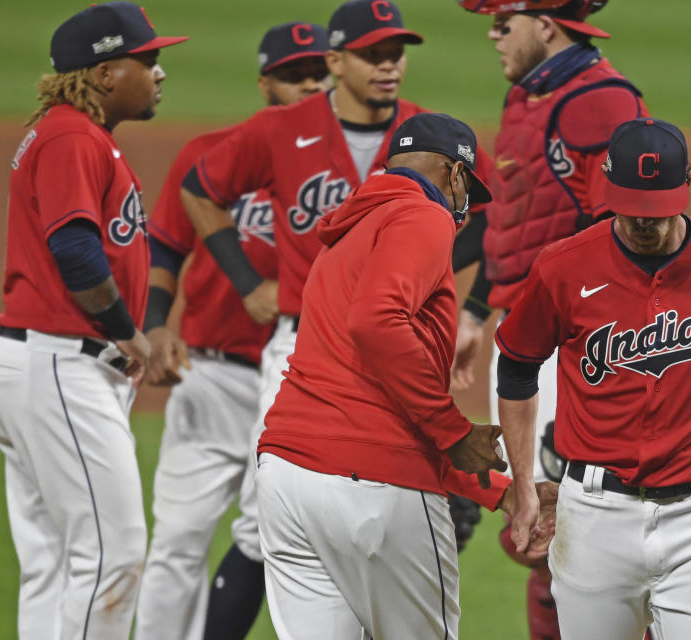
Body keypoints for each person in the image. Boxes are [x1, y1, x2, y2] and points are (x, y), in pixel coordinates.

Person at [180, 3, 492, 623]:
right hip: (312, 350)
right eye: (374, 53)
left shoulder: (386, 175)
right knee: (253, 531)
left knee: (277, 514)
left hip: (307, 424)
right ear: (336, 61)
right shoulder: (292, 132)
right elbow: (200, 189)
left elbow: (474, 240)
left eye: (396, 53)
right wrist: (248, 283)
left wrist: (468, 316)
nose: (389, 65)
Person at [498, 117, 691, 640]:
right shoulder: (564, 267)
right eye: (632, 207)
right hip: (593, 516)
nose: (643, 223)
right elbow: (517, 364)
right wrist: (523, 482)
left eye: (656, 210)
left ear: (687, 185)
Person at [255, 112, 518, 640]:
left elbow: (378, 395)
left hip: (288, 478)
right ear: (454, 174)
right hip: (373, 485)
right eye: (467, 190)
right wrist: (454, 431)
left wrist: (501, 492)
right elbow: (378, 324)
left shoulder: (347, 235)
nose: (464, 209)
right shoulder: (423, 217)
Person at [0, 3, 186, 638]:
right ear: (103, 73)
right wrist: (129, 332)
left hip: (43, 363)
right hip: (59, 365)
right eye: (146, 60)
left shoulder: (76, 135)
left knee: (53, 561)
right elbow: (74, 246)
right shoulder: (71, 136)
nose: (160, 73)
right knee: (113, 555)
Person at [453, 1, 649, 635]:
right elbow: (516, 224)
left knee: (587, 528)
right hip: (530, 333)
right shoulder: (530, 97)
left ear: (544, 24)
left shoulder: (601, 100)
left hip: (584, 343)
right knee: (536, 532)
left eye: (502, 23)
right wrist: (478, 310)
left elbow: (625, 231)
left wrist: (599, 355)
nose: (491, 35)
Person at [134, 23, 332, 640]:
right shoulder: (212, 154)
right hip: (212, 375)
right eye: (292, 73)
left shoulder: (348, 168)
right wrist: (155, 327)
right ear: (263, 83)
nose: (307, 84)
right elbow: (165, 246)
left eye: (316, 72)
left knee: (267, 534)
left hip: (302, 379)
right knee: (178, 538)